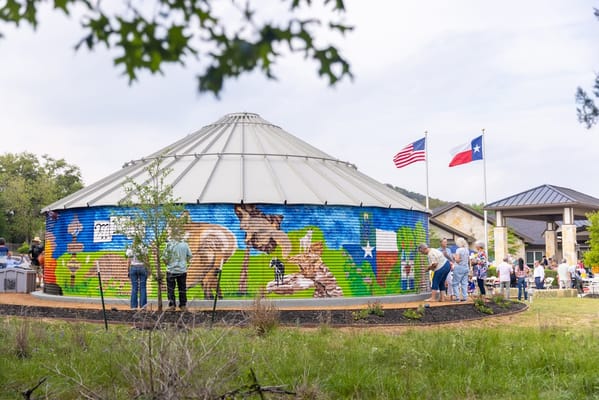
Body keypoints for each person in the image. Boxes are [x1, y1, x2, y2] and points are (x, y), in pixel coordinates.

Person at [163, 233, 193, 311]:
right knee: (182, 288)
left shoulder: (169, 244)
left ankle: (172, 305)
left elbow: (164, 257)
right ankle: (182, 305)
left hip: (171, 270)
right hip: (182, 270)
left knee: (170, 289)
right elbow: (190, 255)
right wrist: (185, 263)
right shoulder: (185, 244)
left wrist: (167, 264)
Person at [126, 238, 148, 309]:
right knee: (143, 287)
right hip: (142, 267)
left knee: (134, 287)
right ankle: (143, 306)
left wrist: (128, 270)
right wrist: (148, 269)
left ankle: (133, 306)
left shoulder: (130, 248)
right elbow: (146, 259)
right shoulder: (144, 247)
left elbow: (129, 260)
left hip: (133, 268)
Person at [452, 237, 470, 302]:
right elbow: (468, 260)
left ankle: (457, 297)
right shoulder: (467, 250)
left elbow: (457, 260)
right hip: (466, 267)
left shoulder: (458, 250)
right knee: (464, 283)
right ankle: (465, 297)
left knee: (455, 283)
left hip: (459, 267)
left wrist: (454, 257)